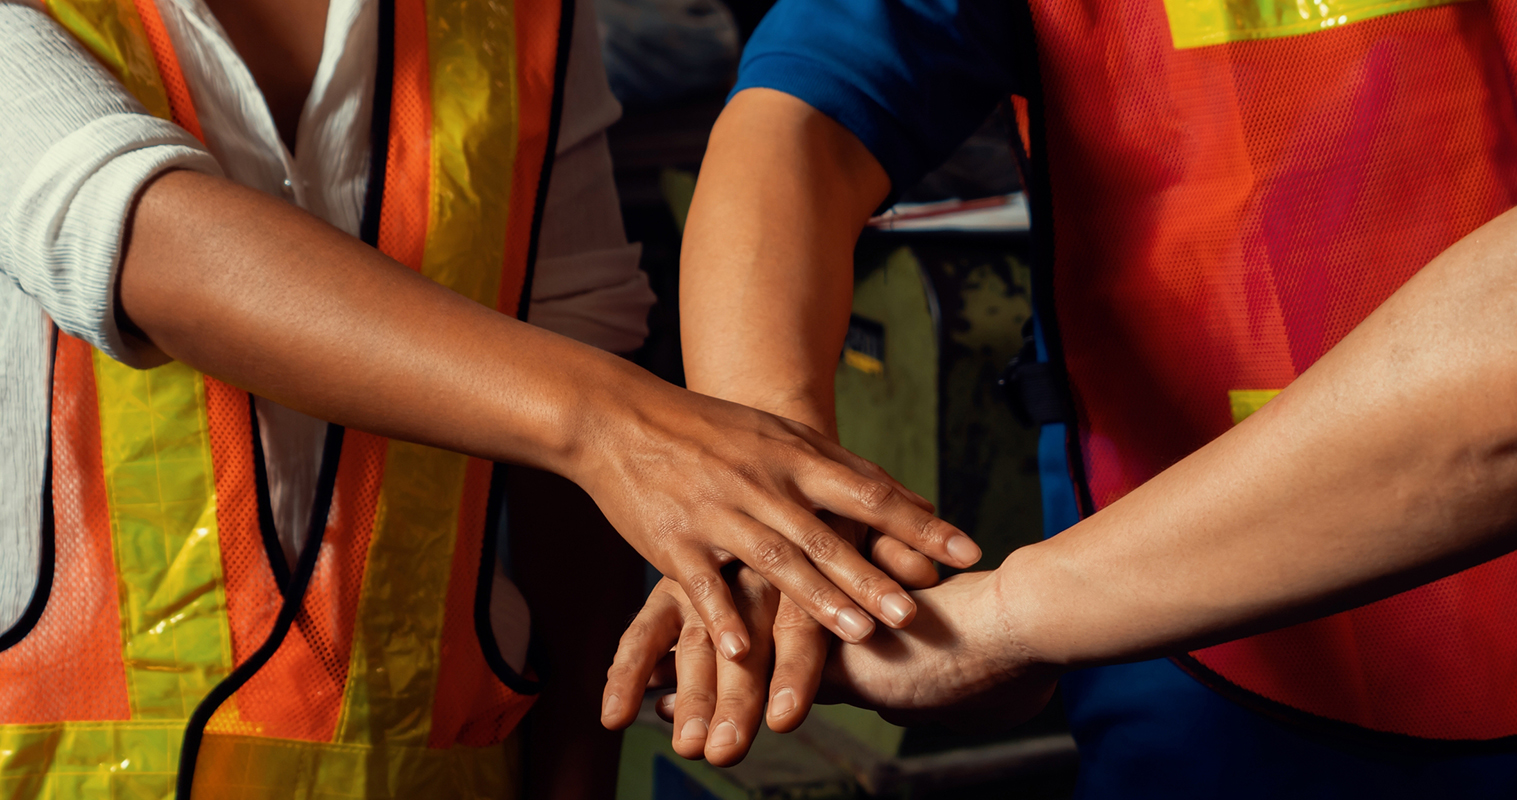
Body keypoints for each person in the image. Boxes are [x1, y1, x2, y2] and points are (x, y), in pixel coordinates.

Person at [601, 0, 1517, 795]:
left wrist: (1009, 616)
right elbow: (807, 111)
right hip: (1209, 652)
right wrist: (775, 484)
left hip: (1142, 599)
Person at [0, 0, 982, 797]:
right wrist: (616, 427)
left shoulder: (520, 17)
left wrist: (577, 767)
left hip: (431, 765)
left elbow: (580, 358)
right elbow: (125, 229)